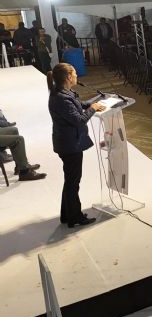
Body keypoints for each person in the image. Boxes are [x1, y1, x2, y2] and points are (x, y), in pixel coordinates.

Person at [47, 63, 106, 227]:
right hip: (69, 145)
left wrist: (91, 104)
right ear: (68, 77)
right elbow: (79, 120)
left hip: (68, 143)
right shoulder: (61, 98)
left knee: (70, 180)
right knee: (73, 182)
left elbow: (77, 105)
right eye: (74, 74)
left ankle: (67, 215)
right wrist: (93, 108)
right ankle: (75, 217)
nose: (77, 76)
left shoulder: (63, 94)